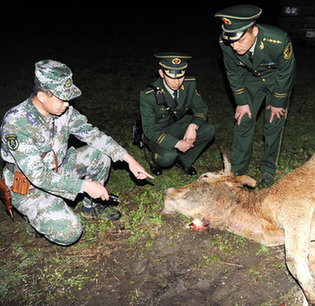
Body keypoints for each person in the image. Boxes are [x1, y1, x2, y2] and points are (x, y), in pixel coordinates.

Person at [0, 59, 153, 246]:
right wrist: (84, 186)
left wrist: (129, 159)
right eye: (62, 98)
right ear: (41, 96)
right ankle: (34, 219)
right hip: (28, 187)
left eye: (69, 98)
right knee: (71, 232)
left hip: (58, 170)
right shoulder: (16, 123)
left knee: (101, 154)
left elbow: (94, 136)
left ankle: (91, 207)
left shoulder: (65, 112)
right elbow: (38, 176)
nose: (67, 104)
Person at [215, 4, 295, 185]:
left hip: (276, 80)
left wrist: (277, 102)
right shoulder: (226, 43)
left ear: (255, 31)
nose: (235, 47)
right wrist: (241, 102)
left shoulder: (278, 41)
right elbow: (233, 73)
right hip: (249, 81)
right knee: (243, 121)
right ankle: (236, 170)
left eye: (240, 41)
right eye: (231, 42)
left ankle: (268, 169)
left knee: (274, 123)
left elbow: (286, 72)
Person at [140, 52, 215, 176]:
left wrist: (192, 127)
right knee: (167, 157)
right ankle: (153, 160)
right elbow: (149, 130)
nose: (177, 82)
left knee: (209, 129)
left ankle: (184, 161)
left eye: (180, 76)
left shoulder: (189, 83)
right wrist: (177, 143)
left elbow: (201, 108)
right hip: (156, 131)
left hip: (177, 125)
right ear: (161, 73)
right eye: (172, 77)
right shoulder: (148, 95)